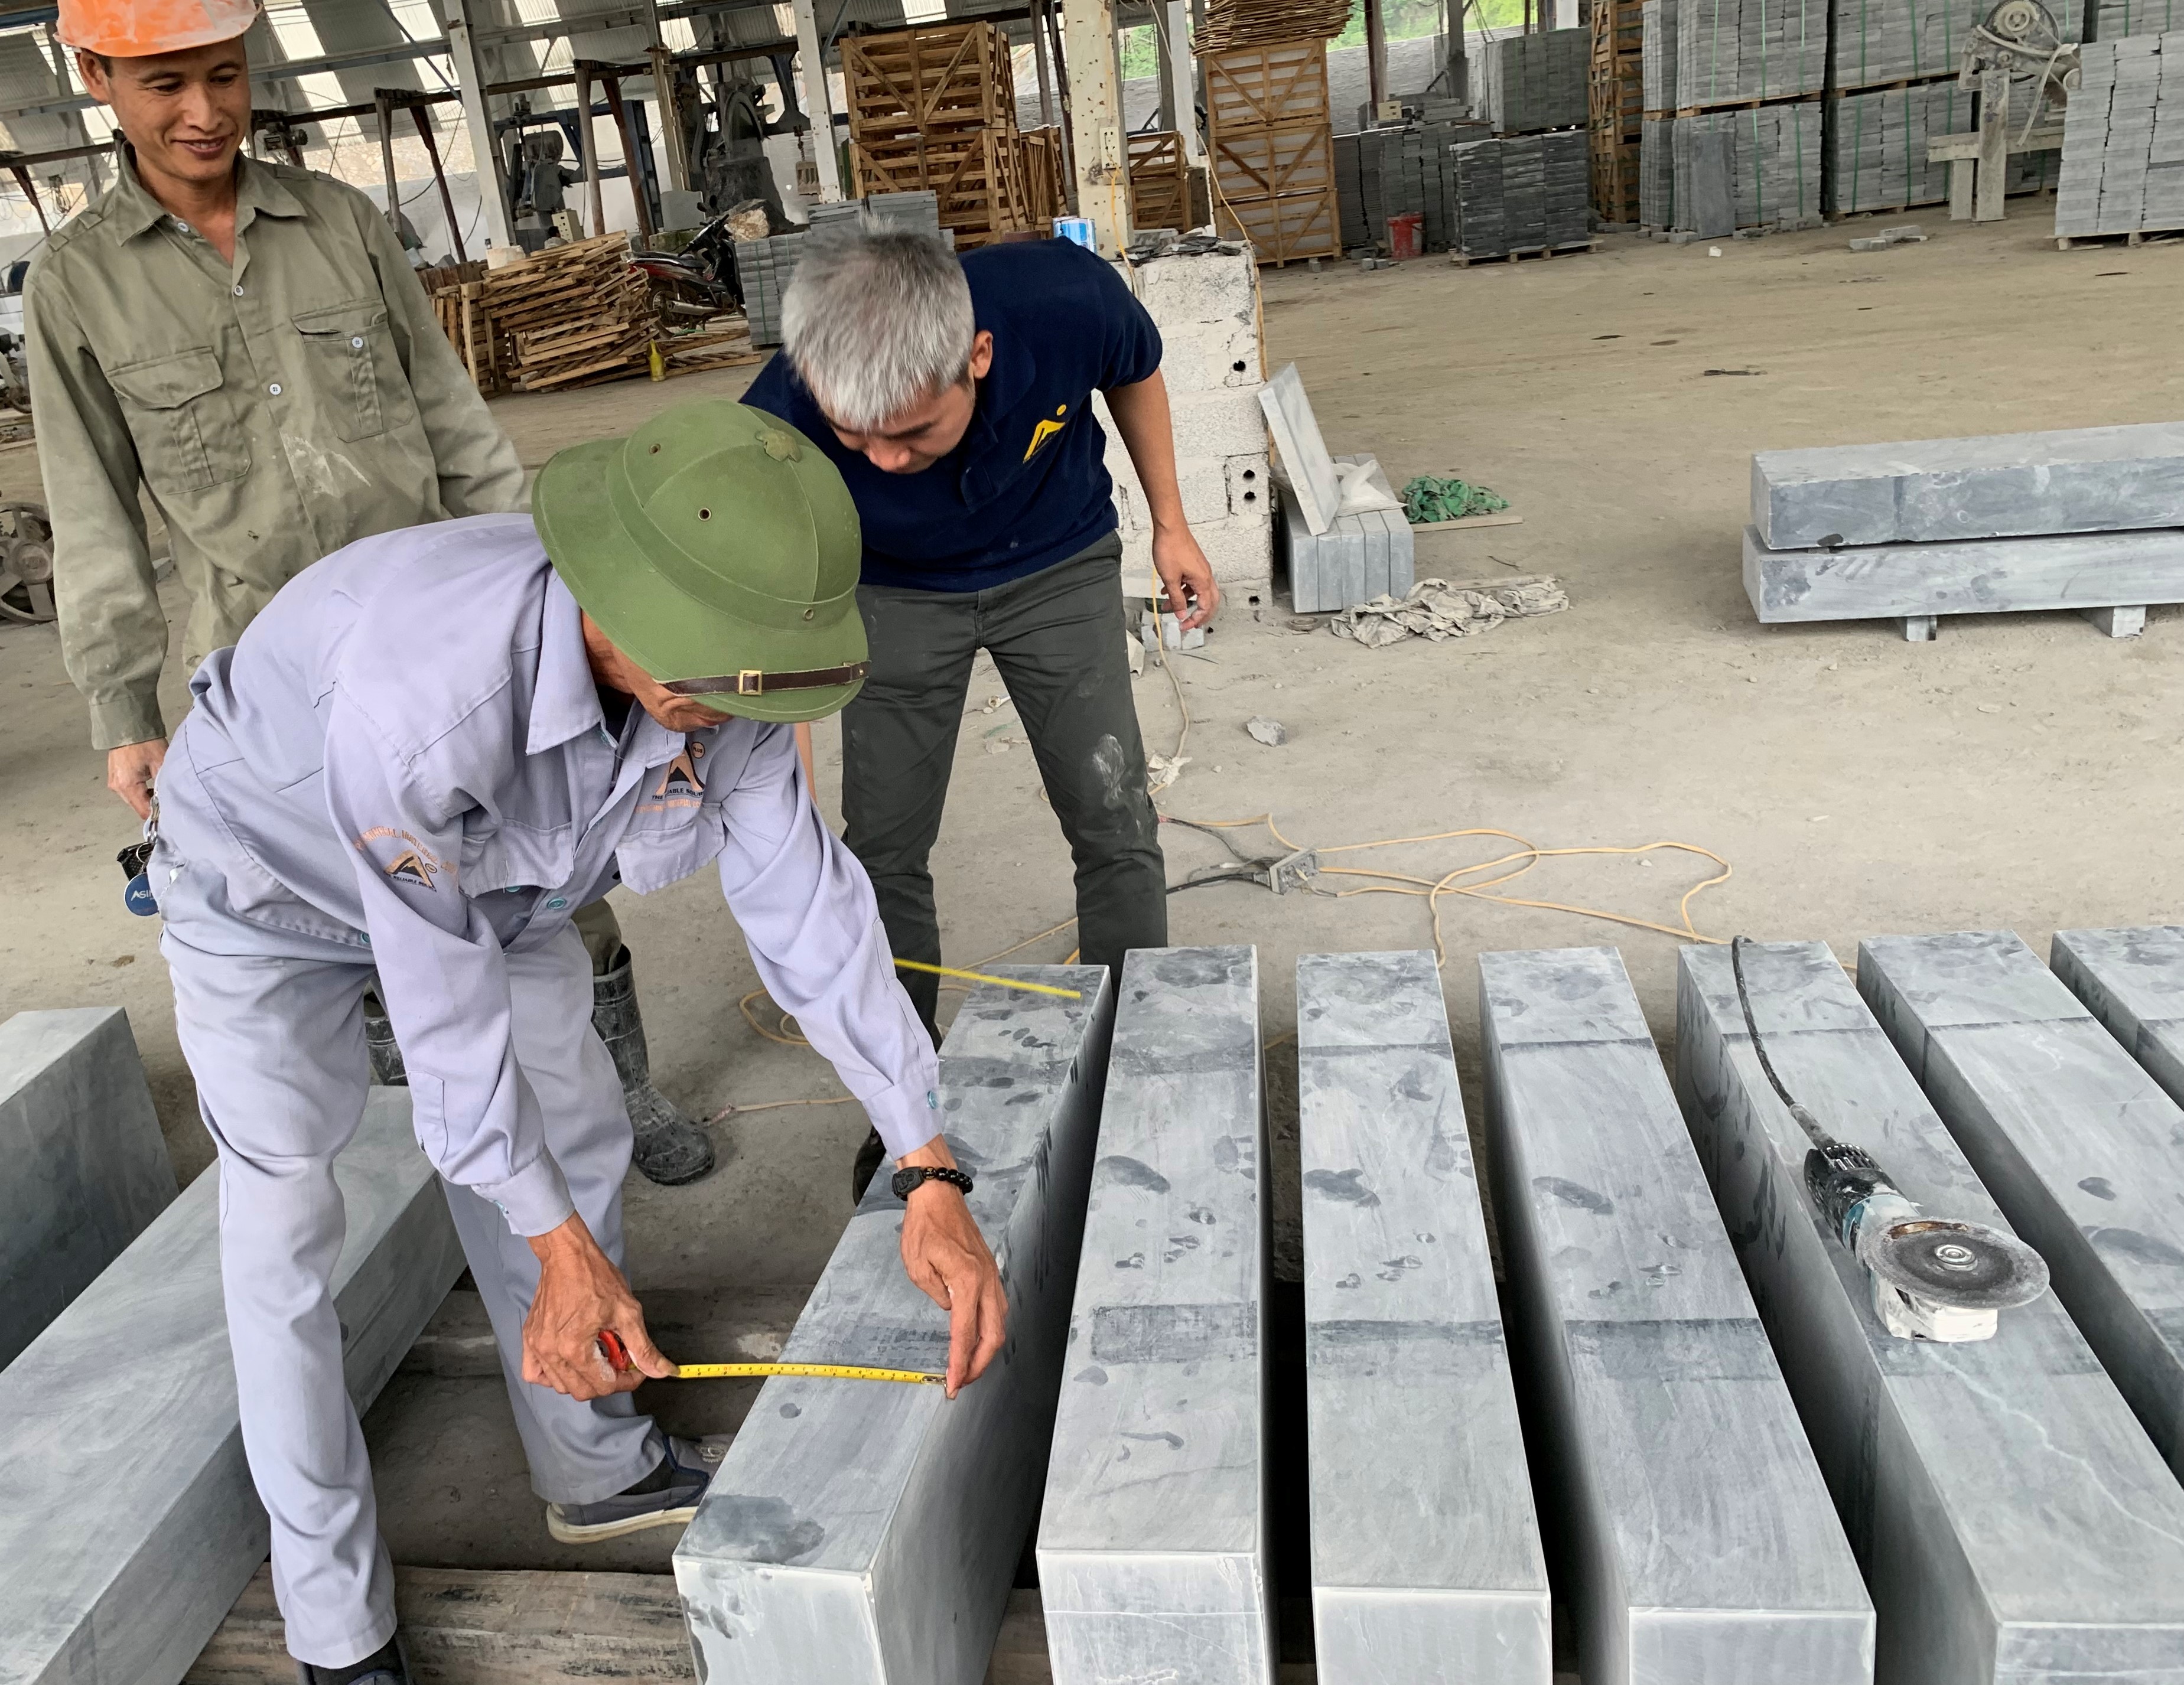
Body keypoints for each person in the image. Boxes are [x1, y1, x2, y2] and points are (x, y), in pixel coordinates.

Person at [147, 397, 1008, 1684]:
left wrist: (924, 1162)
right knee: (284, 1229)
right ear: (617, 601)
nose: (717, 717)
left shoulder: (736, 678)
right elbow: (441, 1022)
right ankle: (334, 1622)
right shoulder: (423, 700)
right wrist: (549, 1240)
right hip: (264, 892)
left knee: (583, 1131)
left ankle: (594, 1466)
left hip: (498, 886)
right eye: (703, 683)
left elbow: (812, 914)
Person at [28, 0, 712, 1182]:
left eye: (225, 75)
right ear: (96, 77)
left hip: (453, 636)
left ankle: (617, 1088)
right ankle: (448, 1158)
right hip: (272, 672)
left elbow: (453, 419)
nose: (206, 112)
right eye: (165, 86)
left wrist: (555, 593)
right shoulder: (78, 283)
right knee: (358, 904)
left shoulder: (340, 223)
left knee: (546, 868)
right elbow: (90, 507)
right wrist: (122, 707)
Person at [742, 228, 1218, 1197]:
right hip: (892, 593)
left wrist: (1171, 525)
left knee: (1112, 813)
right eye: (857, 437)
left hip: (1057, 562)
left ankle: (1136, 1054)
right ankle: (904, 1103)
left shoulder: (1064, 299)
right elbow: (755, 568)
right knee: (882, 848)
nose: (885, 458)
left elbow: (1136, 370)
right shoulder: (779, 412)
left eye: (914, 431)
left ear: (979, 356)